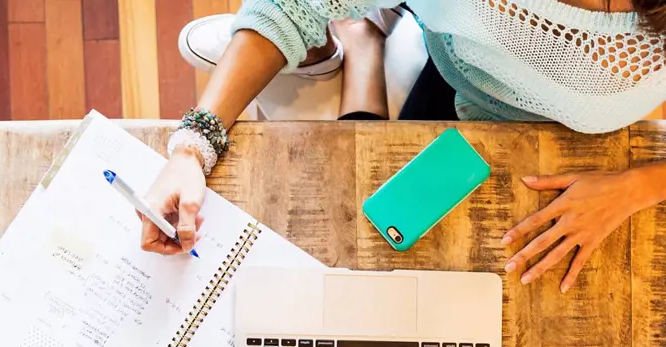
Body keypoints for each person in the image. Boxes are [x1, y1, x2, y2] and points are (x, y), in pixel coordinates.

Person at [143, 1, 666, 293]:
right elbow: (291, 5)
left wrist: (636, 187)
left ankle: (365, 41)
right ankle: (365, 39)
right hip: (460, 77)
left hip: (571, 158)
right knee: (369, 241)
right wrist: (193, 146)